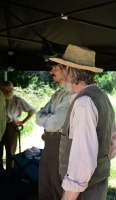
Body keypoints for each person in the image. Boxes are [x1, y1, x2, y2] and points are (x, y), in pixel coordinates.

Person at [48, 44, 116, 200]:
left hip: (84, 193)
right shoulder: (102, 96)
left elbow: (82, 163)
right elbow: (112, 145)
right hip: (97, 186)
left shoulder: (83, 103)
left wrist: (68, 197)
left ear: (68, 70)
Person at [36, 63, 72, 200]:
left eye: (55, 67)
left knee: (58, 186)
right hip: (49, 143)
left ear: (66, 69)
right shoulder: (59, 93)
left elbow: (52, 124)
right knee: (45, 184)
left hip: (60, 143)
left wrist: (47, 118)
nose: (51, 71)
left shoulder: (71, 94)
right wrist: (48, 118)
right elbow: (38, 117)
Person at [0, 81, 36, 172]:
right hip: (0, 126)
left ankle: (10, 172)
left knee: (10, 151)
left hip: (11, 127)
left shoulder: (17, 100)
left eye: (10, 90)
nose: (8, 92)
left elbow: (32, 110)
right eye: (5, 90)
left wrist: (22, 122)